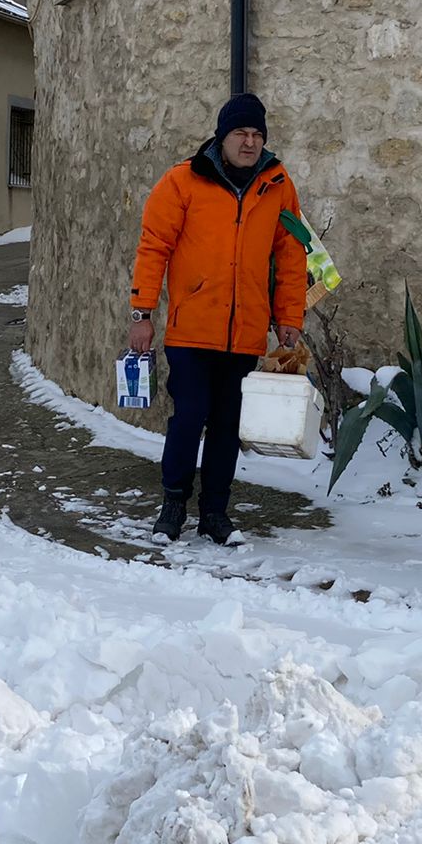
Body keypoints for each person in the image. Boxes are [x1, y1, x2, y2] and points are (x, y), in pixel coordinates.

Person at [127, 92, 307, 544]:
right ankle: (173, 503)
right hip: (192, 330)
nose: (249, 142)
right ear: (222, 137)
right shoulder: (183, 181)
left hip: (245, 334)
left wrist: (289, 316)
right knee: (189, 417)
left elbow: (291, 255)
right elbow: (153, 247)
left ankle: (215, 512)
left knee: (228, 425)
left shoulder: (278, 184)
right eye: (240, 133)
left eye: (256, 134)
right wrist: (142, 312)